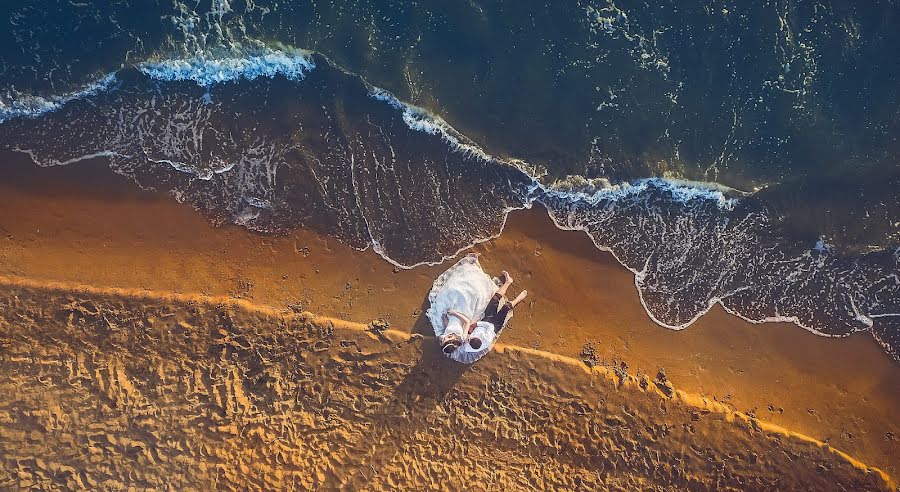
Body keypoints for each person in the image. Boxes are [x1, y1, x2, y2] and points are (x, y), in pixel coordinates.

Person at [446, 271, 527, 363]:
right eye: (469, 338)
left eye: (469, 339)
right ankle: (515, 294)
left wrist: (473, 326)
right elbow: (490, 326)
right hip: (494, 326)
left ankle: (508, 283)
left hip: (485, 321)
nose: (468, 338)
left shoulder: (466, 346)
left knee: (495, 300)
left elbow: (459, 346)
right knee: (505, 307)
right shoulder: (486, 338)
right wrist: (476, 324)